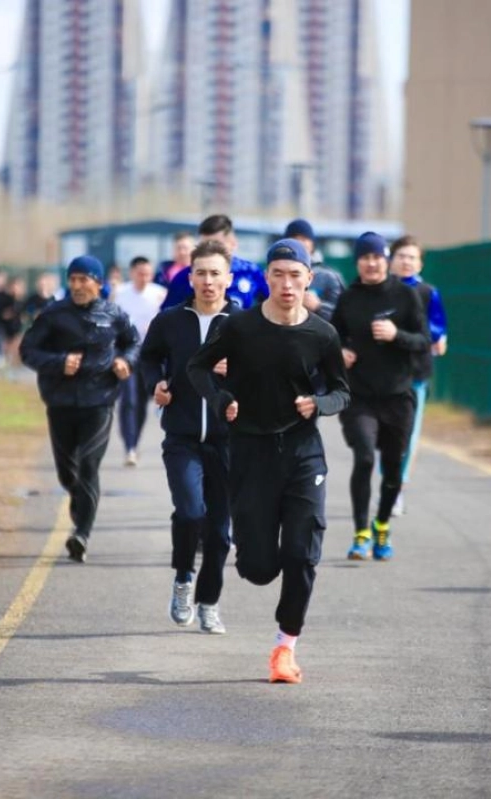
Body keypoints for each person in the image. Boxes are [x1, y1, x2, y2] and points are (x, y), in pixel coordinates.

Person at [187, 237, 350, 684]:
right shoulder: (240, 328)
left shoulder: (322, 333)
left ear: (308, 279)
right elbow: (197, 368)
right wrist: (221, 401)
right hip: (250, 453)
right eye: (277, 274)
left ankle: (285, 648)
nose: (287, 284)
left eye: (295, 275)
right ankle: (252, 545)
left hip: (302, 454)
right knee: (259, 569)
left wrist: (319, 403)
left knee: (302, 554)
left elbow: (341, 390)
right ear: (266, 278)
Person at [139, 240, 234, 633]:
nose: (208, 281)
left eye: (216, 273)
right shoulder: (170, 321)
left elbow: (267, 376)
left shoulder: (243, 325)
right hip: (181, 436)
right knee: (191, 511)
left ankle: (209, 601)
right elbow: (147, 358)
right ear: (188, 277)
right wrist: (155, 384)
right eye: (201, 273)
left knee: (220, 533)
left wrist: (239, 374)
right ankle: (183, 578)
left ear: (228, 279)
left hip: (229, 442)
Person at [21, 255, 140, 563]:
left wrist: (126, 361)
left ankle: (81, 534)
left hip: (99, 401)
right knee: (67, 473)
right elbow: (28, 350)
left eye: (83, 279)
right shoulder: (53, 315)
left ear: (98, 283)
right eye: (72, 279)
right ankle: (80, 510)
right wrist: (59, 363)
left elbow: (134, 343)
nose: (77, 286)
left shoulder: (114, 315)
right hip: (60, 401)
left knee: (88, 464)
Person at [330, 232, 429, 562]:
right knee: (364, 458)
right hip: (359, 396)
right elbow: (332, 337)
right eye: (365, 257)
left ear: (386, 259)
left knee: (391, 468)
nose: (371, 263)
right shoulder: (349, 299)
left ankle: (382, 525)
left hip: (398, 396)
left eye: (377, 257)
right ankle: (361, 533)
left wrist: (395, 334)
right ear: (357, 262)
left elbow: (422, 340)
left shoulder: (405, 295)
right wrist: (340, 352)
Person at [388, 235, 449, 516]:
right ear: (392, 259)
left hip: (415, 374)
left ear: (420, 262)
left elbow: (437, 329)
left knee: (408, 435)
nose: (406, 262)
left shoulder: (428, 293)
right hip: (381, 375)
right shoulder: (378, 290)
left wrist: (432, 337)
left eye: (412, 257)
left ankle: (397, 488)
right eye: (402, 256)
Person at [112, 256, 167, 466]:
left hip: (149, 354)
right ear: (132, 272)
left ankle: (135, 440)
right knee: (129, 400)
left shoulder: (159, 294)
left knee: (142, 403)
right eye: (140, 273)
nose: (144, 278)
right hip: (126, 352)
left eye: (147, 274)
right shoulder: (121, 294)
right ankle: (130, 447)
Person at [161, 214, 268, 310]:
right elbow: (167, 316)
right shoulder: (184, 277)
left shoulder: (250, 271)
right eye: (205, 245)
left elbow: (272, 304)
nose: (210, 250)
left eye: (216, 244)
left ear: (233, 243)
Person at [284, 218, 345, 322]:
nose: (299, 244)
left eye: (304, 239)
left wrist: (319, 307)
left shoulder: (329, 276)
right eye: (294, 238)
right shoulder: (275, 274)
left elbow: (344, 318)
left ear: (312, 243)